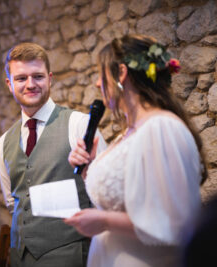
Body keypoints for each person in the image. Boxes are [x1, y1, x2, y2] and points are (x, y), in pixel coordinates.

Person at [65, 34, 207, 267]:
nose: (97, 84)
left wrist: (105, 221)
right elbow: (119, 196)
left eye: (101, 74)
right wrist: (88, 167)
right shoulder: (128, 133)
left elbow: (176, 222)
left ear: (121, 73)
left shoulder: (162, 128)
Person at [0, 42, 107, 267]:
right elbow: (13, 201)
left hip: (70, 256)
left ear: (50, 78)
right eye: (21, 78)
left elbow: (104, 193)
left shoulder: (79, 124)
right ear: (10, 84)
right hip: (19, 258)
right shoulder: (4, 142)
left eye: (37, 76)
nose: (30, 84)